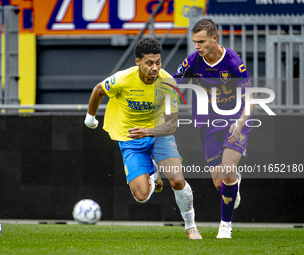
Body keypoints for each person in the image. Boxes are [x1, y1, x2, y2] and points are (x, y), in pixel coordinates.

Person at [84, 37, 202, 239]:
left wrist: (148, 132)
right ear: (138, 61)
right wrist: (90, 118)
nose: (155, 67)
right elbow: (98, 90)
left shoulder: (167, 84)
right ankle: (154, 173)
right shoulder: (122, 80)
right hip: (130, 139)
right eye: (149, 63)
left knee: (177, 180)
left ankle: (191, 227)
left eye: (158, 62)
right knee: (141, 197)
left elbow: (171, 125)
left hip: (158, 135)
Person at [173, 18, 255, 238]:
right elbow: (173, 84)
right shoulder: (193, 61)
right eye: (194, 42)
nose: (197, 46)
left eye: (201, 41)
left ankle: (225, 226)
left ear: (214, 38)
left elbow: (251, 99)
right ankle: (234, 181)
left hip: (235, 118)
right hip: (208, 122)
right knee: (220, 183)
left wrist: (241, 121)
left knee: (227, 169)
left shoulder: (233, 62)